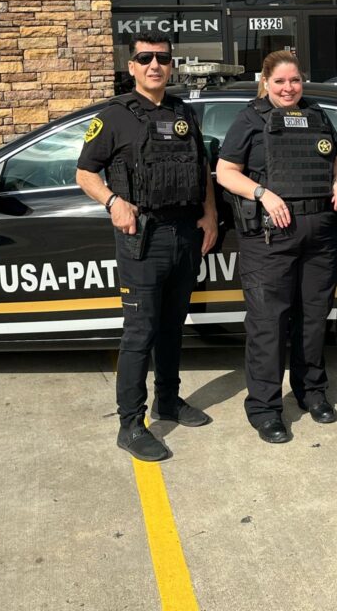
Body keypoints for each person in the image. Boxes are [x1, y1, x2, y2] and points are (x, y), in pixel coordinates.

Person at [76, 31, 218, 461]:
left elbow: (202, 168)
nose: (155, 65)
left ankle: (168, 400)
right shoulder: (114, 116)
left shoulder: (184, 112)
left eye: (162, 58)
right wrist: (113, 202)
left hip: (184, 235)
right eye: (145, 58)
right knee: (141, 332)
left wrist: (210, 214)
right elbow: (85, 173)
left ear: (171, 65)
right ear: (132, 66)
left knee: (173, 326)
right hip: (144, 238)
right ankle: (130, 424)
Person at [216, 51, 337, 444]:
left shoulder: (317, 115)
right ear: (266, 82)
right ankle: (264, 408)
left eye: (294, 80)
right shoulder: (250, 119)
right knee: (268, 323)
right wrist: (262, 194)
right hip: (270, 237)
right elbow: (225, 172)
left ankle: (312, 392)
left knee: (313, 318)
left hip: (319, 233)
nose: (288, 88)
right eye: (280, 82)